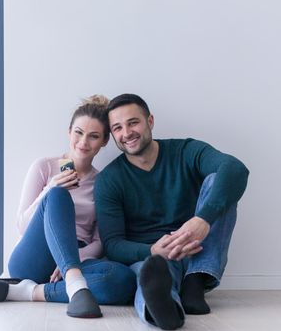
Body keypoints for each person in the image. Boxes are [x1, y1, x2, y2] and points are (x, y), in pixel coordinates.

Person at [0, 95, 136, 318]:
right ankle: (75, 284)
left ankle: (27, 292)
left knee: (124, 280)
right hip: (35, 256)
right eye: (78, 133)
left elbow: (99, 242)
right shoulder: (44, 167)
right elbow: (22, 226)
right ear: (69, 132)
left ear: (104, 141)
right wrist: (49, 189)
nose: (84, 142)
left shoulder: (103, 182)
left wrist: (70, 262)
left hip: (75, 260)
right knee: (58, 195)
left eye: (93, 136)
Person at [95, 93, 249, 329]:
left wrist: (202, 220)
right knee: (150, 278)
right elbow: (113, 244)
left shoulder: (185, 150)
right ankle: (167, 310)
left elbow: (236, 169)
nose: (126, 133)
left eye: (133, 122)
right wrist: (152, 249)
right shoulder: (109, 179)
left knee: (221, 181)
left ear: (150, 121)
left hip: (199, 248)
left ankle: (195, 282)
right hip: (154, 256)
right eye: (117, 128)